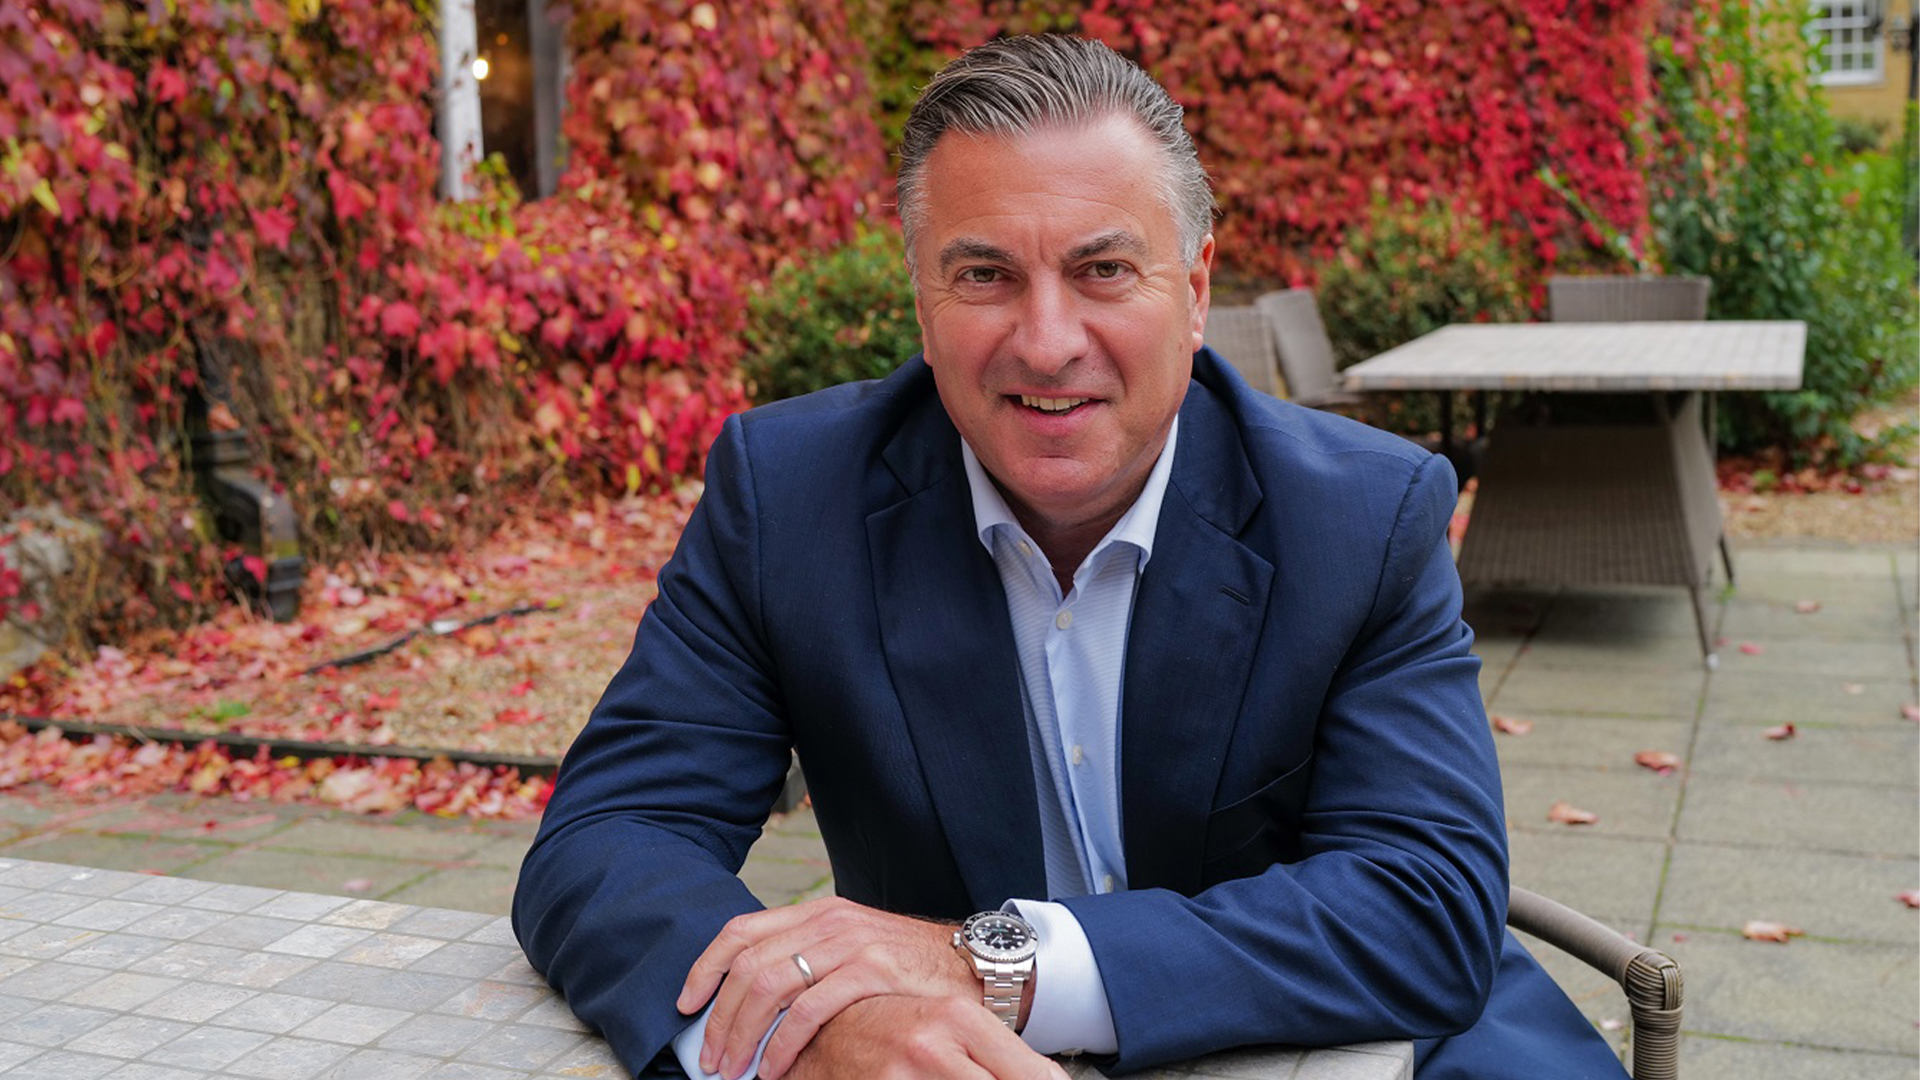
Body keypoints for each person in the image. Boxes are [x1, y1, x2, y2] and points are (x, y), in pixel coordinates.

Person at [514, 34, 1629, 1080]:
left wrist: (989, 961)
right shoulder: (788, 496)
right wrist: (811, 1029)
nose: (1047, 340)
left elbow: (1424, 903)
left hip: (1363, 1049)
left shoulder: (1363, 516)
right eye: (985, 276)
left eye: (1103, 270)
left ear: (1193, 294)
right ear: (922, 302)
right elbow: (612, 836)